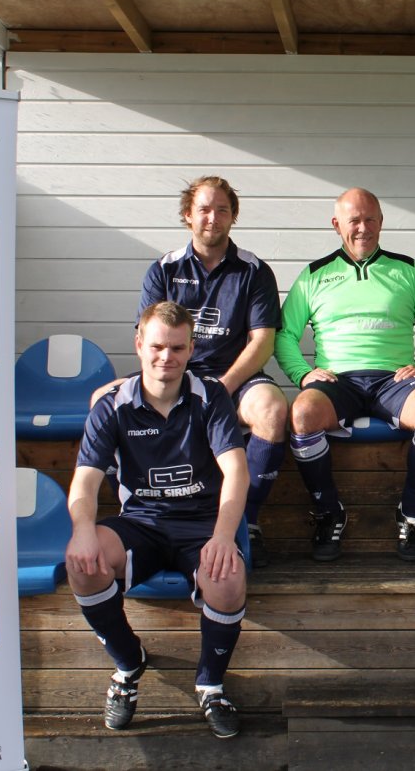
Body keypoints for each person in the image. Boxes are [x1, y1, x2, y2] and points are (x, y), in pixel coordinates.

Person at [66, 301, 249, 739]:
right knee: (83, 564)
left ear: (191, 349)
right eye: (157, 347)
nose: (167, 357)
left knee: (227, 578)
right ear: (139, 344)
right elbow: (84, 482)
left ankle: (210, 685)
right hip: (141, 521)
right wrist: (82, 531)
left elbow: (237, 472)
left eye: (177, 348)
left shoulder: (211, 396)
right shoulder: (112, 404)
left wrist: (224, 536)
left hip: (201, 523)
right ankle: (129, 665)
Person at [274, 187, 415, 562]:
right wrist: (303, 374)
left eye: (371, 219)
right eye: (354, 220)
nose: (363, 228)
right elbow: (285, 334)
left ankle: (411, 514)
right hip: (339, 380)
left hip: (393, 380)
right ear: (337, 224)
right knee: (302, 414)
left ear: (381, 222)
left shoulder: (407, 269)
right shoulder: (314, 275)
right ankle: (329, 513)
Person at [134, 175, 287, 568]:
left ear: (233, 216)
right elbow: (150, 339)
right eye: (204, 209)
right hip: (179, 377)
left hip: (236, 378)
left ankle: (247, 521)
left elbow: (262, 342)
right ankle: (148, 521)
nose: (212, 218)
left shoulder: (254, 270)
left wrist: (222, 387)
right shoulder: (164, 269)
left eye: (222, 210)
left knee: (272, 409)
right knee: (107, 401)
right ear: (188, 214)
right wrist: (179, 385)